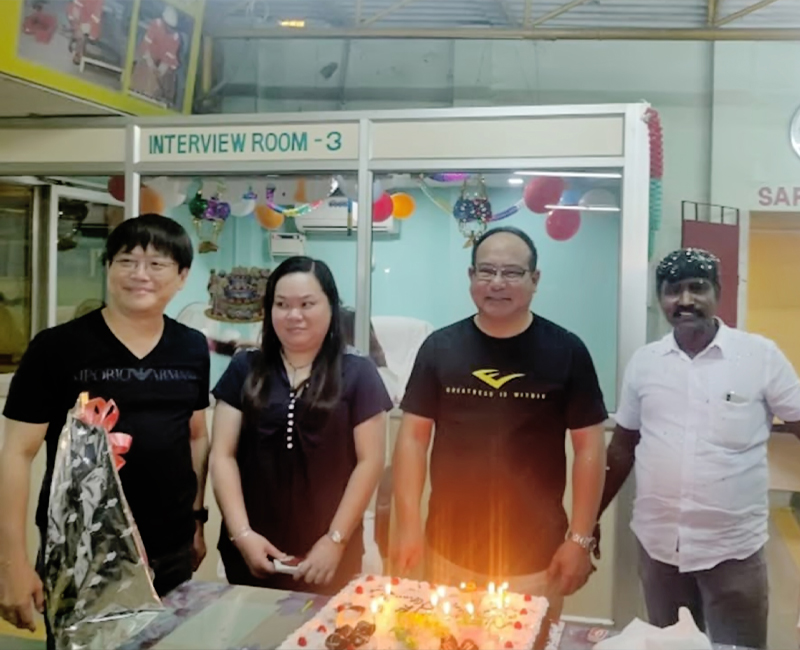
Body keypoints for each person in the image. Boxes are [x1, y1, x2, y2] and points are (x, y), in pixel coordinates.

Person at [0, 214, 210, 635]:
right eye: (127, 261)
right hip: (81, 552)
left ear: (182, 276)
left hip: (171, 548)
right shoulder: (56, 347)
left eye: (157, 264)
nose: (140, 274)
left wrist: (197, 522)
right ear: (109, 268)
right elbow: (16, 455)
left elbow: (196, 436)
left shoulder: (191, 346)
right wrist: (12, 563)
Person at [391, 226, 608, 617]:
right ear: (471, 276)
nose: (497, 283)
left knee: (529, 640)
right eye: (486, 271)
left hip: (536, 555)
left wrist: (579, 539)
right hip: (448, 550)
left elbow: (589, 447)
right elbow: (413, 440)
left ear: (534, 279)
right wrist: (408, 527)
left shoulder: (567, 351)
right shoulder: (440, 347)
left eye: (511, 272)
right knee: (447, 639)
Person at [599, 248, 800, 650]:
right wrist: (589, 518)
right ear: (660, 298)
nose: (685, 300)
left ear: (717, 293)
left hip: (733, 549)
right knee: (669, 645)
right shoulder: (645, 362)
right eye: (673, 290)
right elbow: (622, 447)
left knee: (739, 647)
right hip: (659, 548)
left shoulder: (759, 356)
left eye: (697, 288)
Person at [209, 256, 391, 595]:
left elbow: (370, 462)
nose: (294, 315)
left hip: (330, 551)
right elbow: (222, 455)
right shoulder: (244, 367)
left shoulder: (358, 371)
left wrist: (335, 540)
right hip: (252, 545)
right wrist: (242, 535)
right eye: (281, 304)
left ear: (331, 306)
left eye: (307, 304)